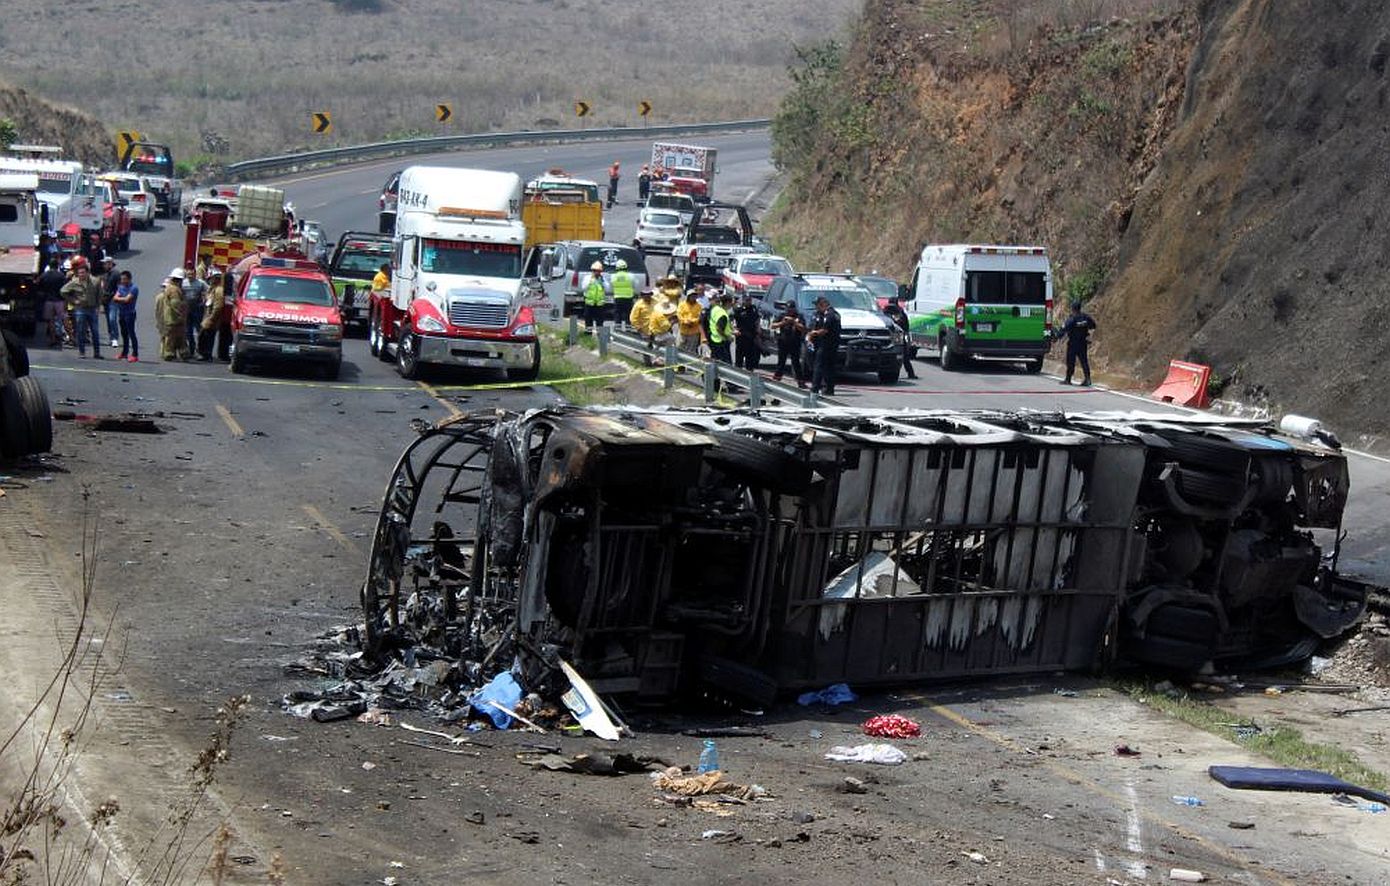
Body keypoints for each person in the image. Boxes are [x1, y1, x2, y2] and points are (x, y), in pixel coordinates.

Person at [60, 258, 104, 358]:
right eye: (79, 273)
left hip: (92, 309)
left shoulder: (95, 281)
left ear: (87, 273)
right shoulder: (74, 282)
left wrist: (98, 307)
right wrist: (74, 300)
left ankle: (97, 353)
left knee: (95, 331)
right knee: (80, 331)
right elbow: (63, 291)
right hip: (80, 309)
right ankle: (82, 352)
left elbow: (100, 295)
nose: (81, 275)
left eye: (83, 273)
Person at [807, 295, 842, 396]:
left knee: (819, 366)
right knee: (829, 367)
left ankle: (815, 388)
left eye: (818, 305)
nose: (816, 307)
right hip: (828, 344)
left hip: (827, 344)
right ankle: (828, 389)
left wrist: (812, 333)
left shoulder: (830, 315)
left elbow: (824, 330)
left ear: (823, 304)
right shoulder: (823, 314)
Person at [1056, 300, 1097, 385]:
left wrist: (1057, 336)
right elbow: (1093, 325)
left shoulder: (1072, 319)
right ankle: (1088, 379)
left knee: (1070, 361)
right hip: (1083, 342)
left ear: (1073, 309)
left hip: (1073, 344)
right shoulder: (1085, 317)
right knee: (1084, 361)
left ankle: (1068, 379)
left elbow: (1064, 329)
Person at [771, 300, 807, 388]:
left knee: (796, 363)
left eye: (791, 309)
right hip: (783, 342)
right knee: (781, 362)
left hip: (795, 342)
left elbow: (804, 329)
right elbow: (773, 325)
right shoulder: (782, 316)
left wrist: (794, 322)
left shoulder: (799, 316)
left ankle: (800, 382)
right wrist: (783, 323)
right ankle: (777, 379)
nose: (789, 311)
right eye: (788, 309)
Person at [880, 294, 917, 380]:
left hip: (890, 334)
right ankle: (910, 373)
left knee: (899, 354)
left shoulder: (885, 311)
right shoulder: (899, 311)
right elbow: (905, 326)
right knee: (903, 355)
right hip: (897, 334)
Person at [156, 269, 190, 361]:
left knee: (174, 337)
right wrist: (181, 315)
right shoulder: (174, 290)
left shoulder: (171, 288)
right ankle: (172, 354)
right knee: (176, 337)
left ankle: (174, 353)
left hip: (172, 318)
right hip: (175, 319)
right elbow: (176, 304)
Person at [36, 258, 67, 347]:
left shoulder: (44, 275)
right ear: (57, 266)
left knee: (51, 321)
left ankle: (53, 339)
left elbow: (38, 285)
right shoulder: (61, 276)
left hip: (48, 301)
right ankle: (69, 338)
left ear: (49, 265)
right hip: (59, 300)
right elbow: (65, 288)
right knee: (63, 319)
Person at [197, 269, 227, 361]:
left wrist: (211, 319)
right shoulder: (212, 289)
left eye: (212, 278)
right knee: (204, 336)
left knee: (207, 336)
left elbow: (218, 307)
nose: (210, 280)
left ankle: (206, 354)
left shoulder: (219, 290)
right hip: (207, 316)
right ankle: (205, 354)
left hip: (212, 318)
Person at [180, 261, 208, 356]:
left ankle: (200, 350)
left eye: (192, 274)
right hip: (187, 310)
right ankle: (191, 349)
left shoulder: (200, 283)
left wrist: (205, 301)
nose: (190, 275)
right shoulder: (183, 283)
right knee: (188, 331)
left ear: (195, 274)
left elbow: (209, 291)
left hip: (197, 309)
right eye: (188, 274)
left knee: (199, 330)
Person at [112, 270, 139, 362]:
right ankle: (124, 353)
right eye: (122, 279)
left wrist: (120, 299)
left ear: (129, 279)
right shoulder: (120, 287)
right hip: (122, 313)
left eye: (124, 279)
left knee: (131, 333)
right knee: (124, 334)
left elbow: (127, 300)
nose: (122, 281)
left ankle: (135, 354)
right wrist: (121, 299)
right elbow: (115, 298)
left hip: (130, 313)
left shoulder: (134, 288)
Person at [732, 291, 761, 371]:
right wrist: (734, 329)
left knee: (750, 360)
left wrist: (758, 330)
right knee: (739, 360)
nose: (748, 302)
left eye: (749, 300)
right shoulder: (738, 309)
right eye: (747, 300)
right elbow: (733, 320)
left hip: (751, 337)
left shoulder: (754, 309)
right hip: (741, 336)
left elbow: (757, 319)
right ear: (743, 300)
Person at [581, 261, 610, 333]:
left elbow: (608, 288)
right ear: (593, 271)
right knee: (588, 321)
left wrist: (602, 282)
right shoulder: (588, 278)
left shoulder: (602, 279)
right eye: (595, 271)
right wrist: (591, 281)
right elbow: (583, 288)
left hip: (599, 304)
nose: (597, 273)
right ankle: (588, 336)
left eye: (599, 271)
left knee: (600, 322)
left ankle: (600, 337)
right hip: (589, 304)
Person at [101, 254, 121, 348]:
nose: (104, 265)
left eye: (105, 263)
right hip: (105, 299)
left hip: (113, 299)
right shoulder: (104, 275)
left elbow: (119, 287)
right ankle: (111, 337)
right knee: (108, 320)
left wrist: (117, 296)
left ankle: (115, 338)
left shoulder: (116, 274)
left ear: (110, 264)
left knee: (112, 318)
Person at [676, 289, 704, 355]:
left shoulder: (699, 306)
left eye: (694, 296)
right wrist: (685, 321)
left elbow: (699, 317)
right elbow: (679, 315)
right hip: (683, 331)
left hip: (693, 333)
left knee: (691, 352)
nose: (693, 297)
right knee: (679, 348)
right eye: (691, 296)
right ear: (688, 296)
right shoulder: (682, 305)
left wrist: (692, 321)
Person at [707, 292, 733, 364]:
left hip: (714, 339)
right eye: (731, 302)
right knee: (725, 363)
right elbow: (719, 328)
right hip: (721, 341)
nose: (732, 304)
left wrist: (732, 330)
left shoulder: (715, 309)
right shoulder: (722, 313)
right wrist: (728, 337)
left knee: (714, 361)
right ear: (727, 302)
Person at [610, 259, 635, 328]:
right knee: (628, 314)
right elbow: (634, 285)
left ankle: (617, 330)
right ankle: (628, 329)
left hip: (618, 298)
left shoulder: (613, 276)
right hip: (628, 298)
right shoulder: (631, 276)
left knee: (618, 314)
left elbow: (611, 286)